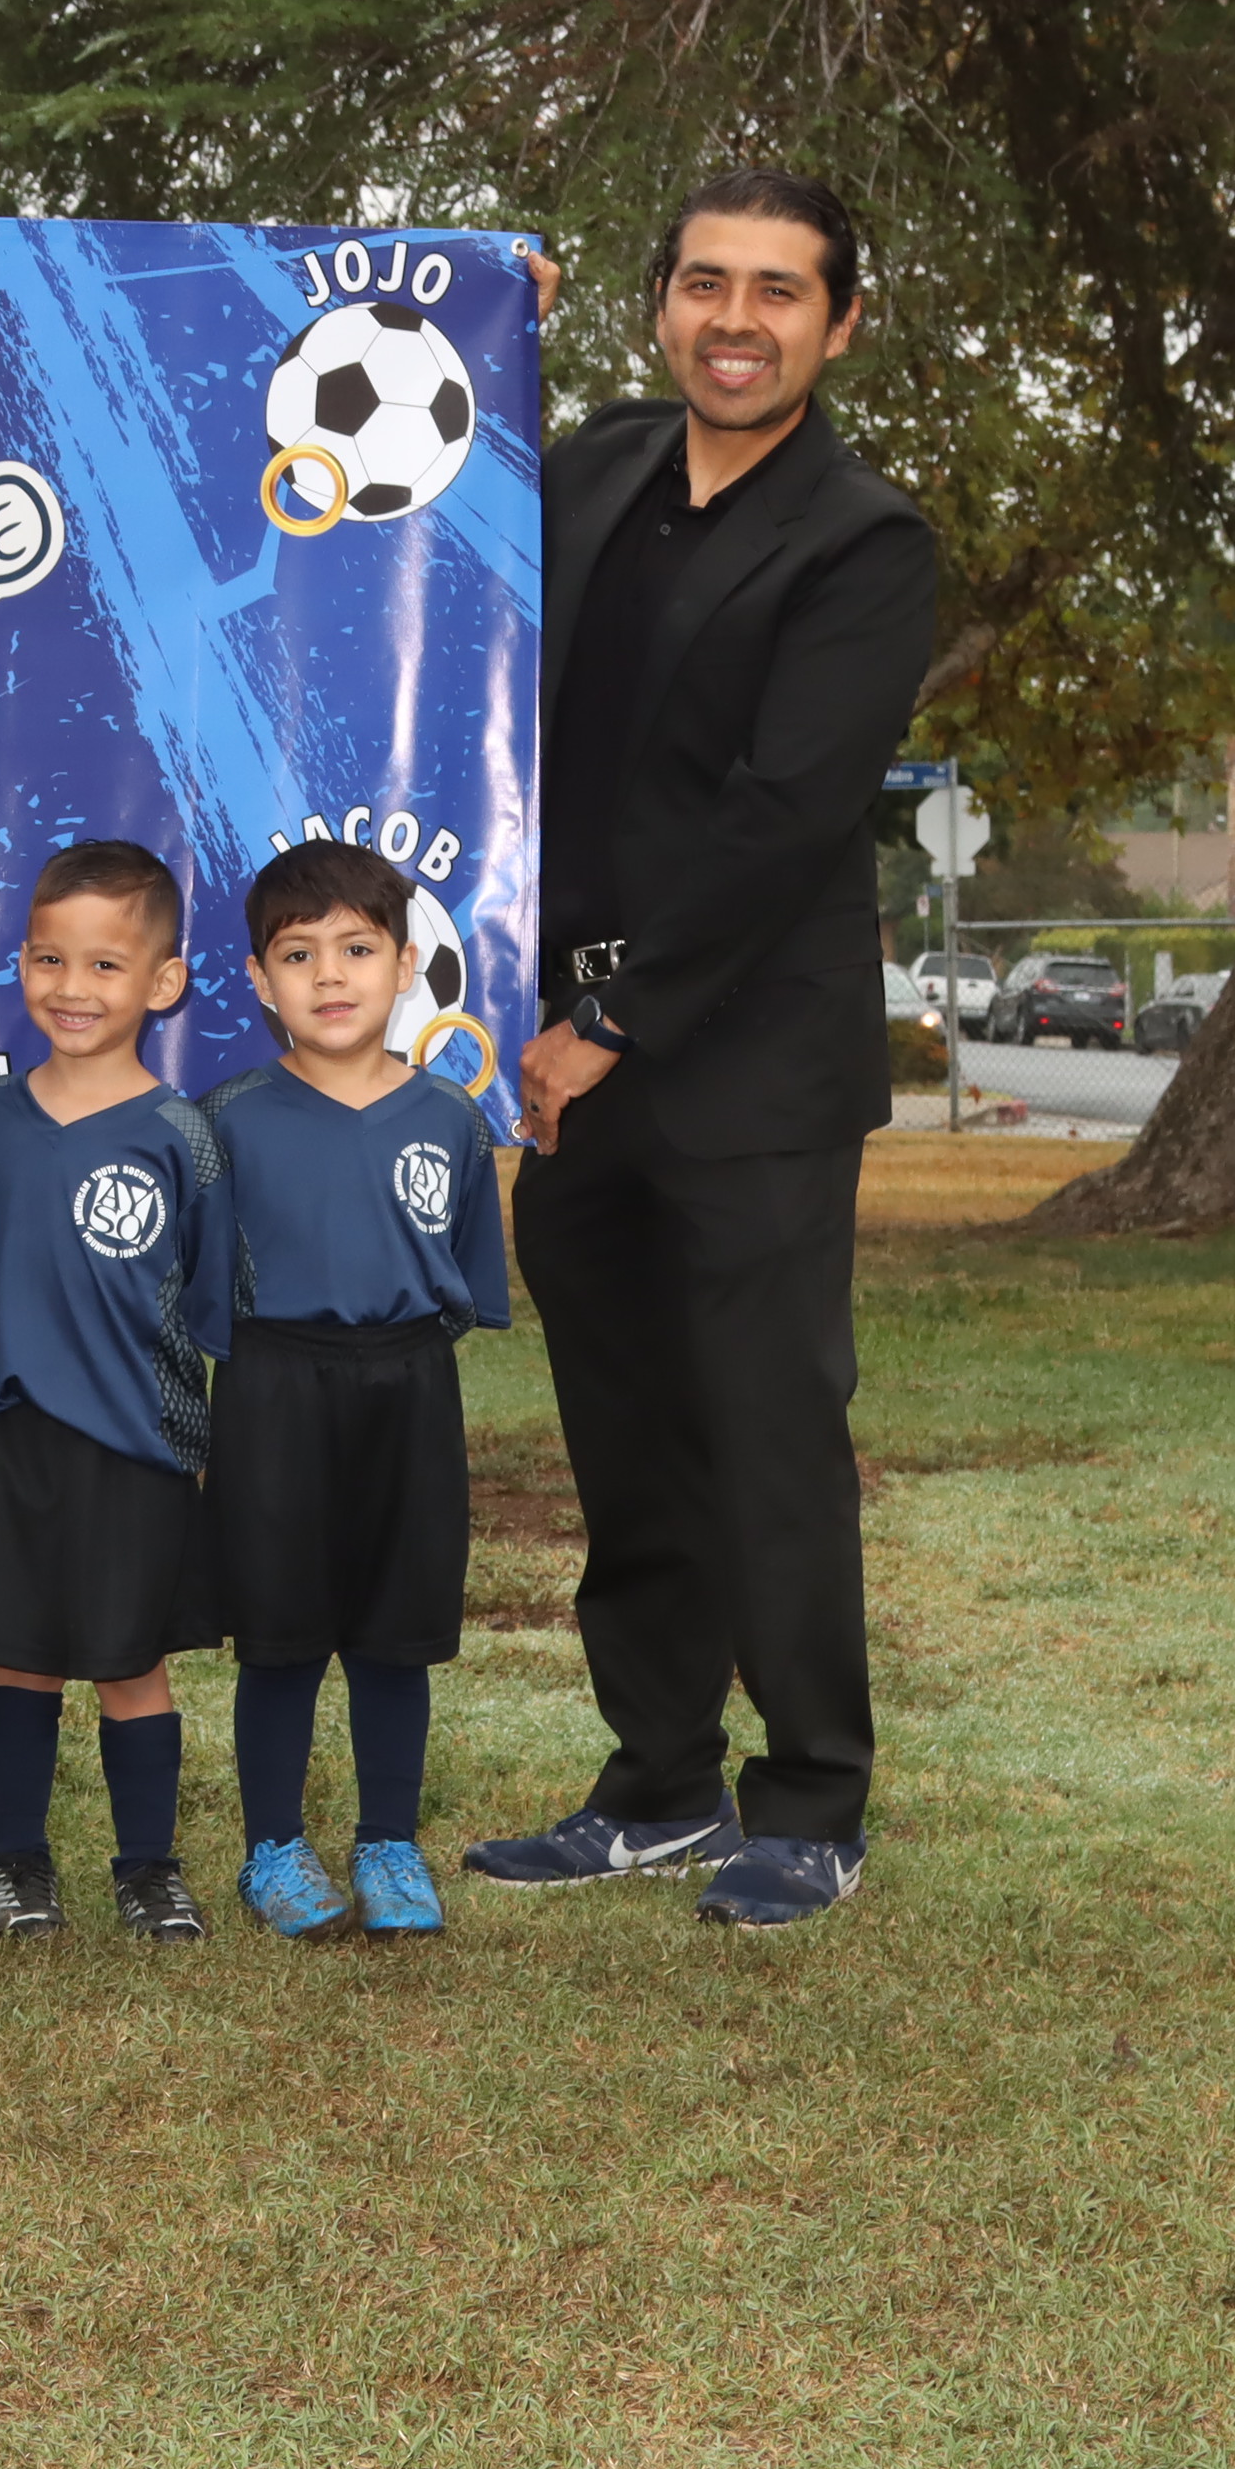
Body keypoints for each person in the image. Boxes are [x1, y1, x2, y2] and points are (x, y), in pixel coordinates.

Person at [469, 167, 940, 1931]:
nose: (736, 322)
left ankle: (810, 1802)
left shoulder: (865, 542)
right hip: (563, 1044)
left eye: (778, 291)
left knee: (764, 1433)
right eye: (705, 284)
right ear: (660, 300)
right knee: (625, 1432)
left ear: (840, 324)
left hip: (741, 1061)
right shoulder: (590, 466)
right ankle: (658, 1780)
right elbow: (425, 522)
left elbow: (783, 818)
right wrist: (473, 320)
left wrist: (611, 1022)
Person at [194, 841, 509, 1941]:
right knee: (278, 1631)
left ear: (405, 964)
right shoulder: (226, 1118)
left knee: (394, 1631)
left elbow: (461, 1281)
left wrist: (394, 1354)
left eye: (357, 949)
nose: (330, 975)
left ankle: (389, 1842)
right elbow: (195, 1285)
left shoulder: (452, 1119)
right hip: (272, 1386)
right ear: (259, 979)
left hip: (409, 1386)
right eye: (299, 954)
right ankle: (272, 1848)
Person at [0, 839, 233, 1943]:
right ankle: (17, 1862)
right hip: (14, 1435)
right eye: (49, 959)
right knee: (21, 1661)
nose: (73, 987)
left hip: (137, 1440)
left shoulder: (184, 1137)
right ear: (20, 963)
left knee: (132, 1662)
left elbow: (211, 1305)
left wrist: (197, 1442)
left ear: (163, 981)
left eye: (106, 965)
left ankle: (149, 1868)